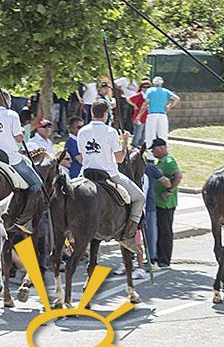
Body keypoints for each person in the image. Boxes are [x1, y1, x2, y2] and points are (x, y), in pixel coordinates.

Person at [76, 99, 145, 251]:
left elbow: (81, 157)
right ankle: (128, 235)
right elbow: (120, 159)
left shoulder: (82, 131)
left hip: (85, 174)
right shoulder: (111, 132)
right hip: (109, 175)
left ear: (92, 112)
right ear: (106, 113)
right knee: (140, 198)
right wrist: (125, 142)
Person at [0, 90, 42, 233]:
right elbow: (19, 138)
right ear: (8, 100)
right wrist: (22, 132)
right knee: (37, 184)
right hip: (10, 159)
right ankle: (24, 220)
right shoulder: (12, 114)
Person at [151, 138, 182, 267]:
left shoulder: (169, 161)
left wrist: (169, 191)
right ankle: (158, 257)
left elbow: (178, 176)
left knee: (165, 231)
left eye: (153, 149)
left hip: (166, 204)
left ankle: (164, 259)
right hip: (159, 203)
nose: (152, 152)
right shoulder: (161, 162)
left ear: (161, 148)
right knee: (159, 229)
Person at [137, 76, 180, 151]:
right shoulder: (165, 91)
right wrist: (169, 106)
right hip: (162, 115)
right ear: (162, 83)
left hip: (152, 115)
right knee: (163, 134)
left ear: (153, 83)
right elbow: (177, 98)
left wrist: (139, 115)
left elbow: (145, 103)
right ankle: (163, 151)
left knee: (150, 135)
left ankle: (151, 153)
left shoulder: (150, 91)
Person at [127, 78, 151, 147]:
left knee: (144, 134)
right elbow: (128, 99)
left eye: (148, 87)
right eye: (144, 87)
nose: (146, 89)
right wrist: (134, 105)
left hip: (147, 117)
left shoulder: (149, 95)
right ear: (141, 88)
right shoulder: (139, 95)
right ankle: (134, 145)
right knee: (138, 133)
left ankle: (140, 146)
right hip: (139, 117)